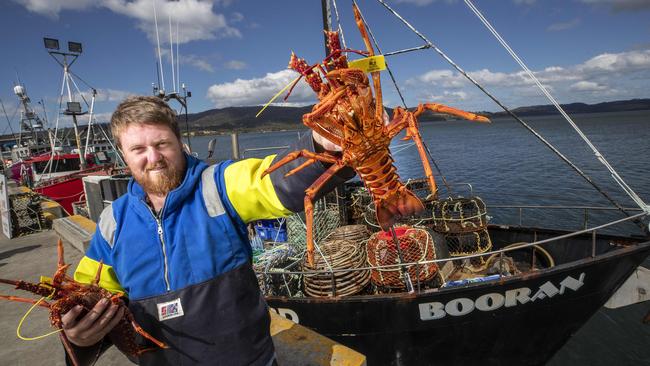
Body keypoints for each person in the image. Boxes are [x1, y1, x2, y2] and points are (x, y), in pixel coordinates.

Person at [60, 96, 352, 365]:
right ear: (124, 155)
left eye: (162, 144)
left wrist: (320, 144)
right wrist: (79, 340)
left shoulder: (218, 184)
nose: (153, 157)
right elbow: (91, 299)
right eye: (138, 149)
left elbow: (272, 182)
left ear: (180, 142)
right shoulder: (113, 221)